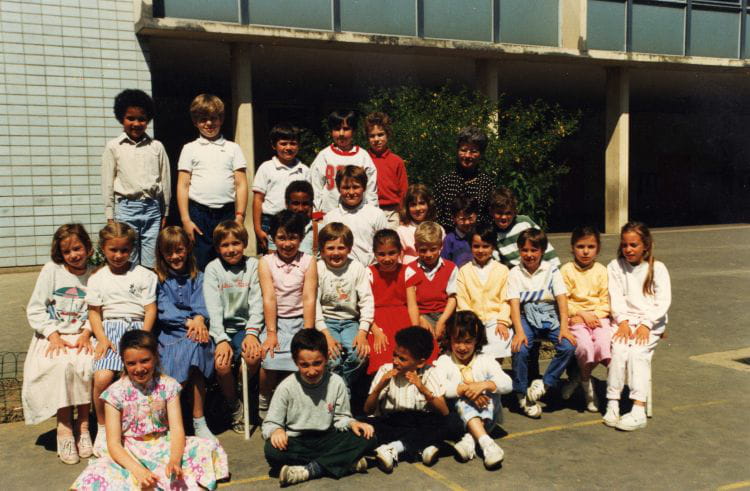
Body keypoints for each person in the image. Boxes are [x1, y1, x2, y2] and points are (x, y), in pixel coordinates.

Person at [71, 330, 228, 490]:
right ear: (123, 362)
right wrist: (138, 471)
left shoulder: (168, 386)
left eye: (145, 361)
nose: (139, 368)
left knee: (205, 447)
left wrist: (174, 460)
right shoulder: (114, 393)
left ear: (155, 357)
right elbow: (114, 444)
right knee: (99, 474)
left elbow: (177, 429)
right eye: (131, 363)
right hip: (130, 451)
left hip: (163, 446)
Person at [262, 329, 377, 486]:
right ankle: (343, 463)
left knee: (368, 438)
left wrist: (352, 423)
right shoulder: (286, 387)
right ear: (295, 362)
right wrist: (276, 431)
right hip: (298, 441)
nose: (311, 371)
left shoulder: (336, 382)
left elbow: (341, 418)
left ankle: (310, 470)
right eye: (304, 365)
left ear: (327, 358)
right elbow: (270, 423)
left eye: (317, 363)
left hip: (328, 437)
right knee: (272, 451)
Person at [22, 224, 95, 465]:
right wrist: (52, 334)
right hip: (55, 335)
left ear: (87, 247)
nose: (73, 255)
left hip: (82, 334)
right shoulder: (51, 271)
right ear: (59, 253)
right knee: (62, 365)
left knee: (86, 364)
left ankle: (83, 426)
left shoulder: (95, 274)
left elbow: (98, 310)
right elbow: (36, 308)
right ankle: (64, 428)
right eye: (67, 251)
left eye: (77, 248)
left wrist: (87, 332)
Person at [88, 222, 158, 455]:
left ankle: (142, 426)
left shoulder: (144, 275)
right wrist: (102, 339)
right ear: (103, 249)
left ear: (132, 249)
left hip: (137, 328)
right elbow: (94, 312)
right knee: (103, 377)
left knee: (140, 376)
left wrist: (144, 336)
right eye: (113, 250)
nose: (118, 255)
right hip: (110, 329)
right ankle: (102, 427)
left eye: (124, 250)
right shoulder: (97, 278)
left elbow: (150, 309)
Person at [603, 222, 671, 431]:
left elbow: (663, 301)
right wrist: (622, 322)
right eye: (624, 245)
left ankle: (638, 409)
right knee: (619, 350)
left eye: (634, 245)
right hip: (623, 321)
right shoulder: (615, 266)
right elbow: (615, 297)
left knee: (638, 353)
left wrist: (646, 324)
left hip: (650, 322)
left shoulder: (657, 268)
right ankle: (612, 402)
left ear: (646, 246)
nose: (628, 249)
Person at [154, 226, 216, 440]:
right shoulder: (158, 279)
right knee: (188, 350)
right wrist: (190, 321)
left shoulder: (199, 277)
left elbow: (202, 303)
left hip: (196, 331)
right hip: (169, 335)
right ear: (161, 253)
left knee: (197, 347)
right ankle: (169, 418)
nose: (175, 256)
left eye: (179, 250)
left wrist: (199, 318)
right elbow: (164, 310)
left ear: (188, 248)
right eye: (169, 252)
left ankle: (199, 420)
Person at [508, 228, 576, 419]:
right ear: (519, 250)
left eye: (534, 250)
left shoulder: (551, 270)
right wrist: (519, 331)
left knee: (568, 346)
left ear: (543, 251)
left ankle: (544, 384)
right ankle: (522, 393)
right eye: (524, 250)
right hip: (526, 315)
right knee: (520, 348)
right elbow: (514, 304)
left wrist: (564, 327)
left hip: (549, 314)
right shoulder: (514, 272)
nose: (529, 254)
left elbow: (561, 299)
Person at [203, 220, 264, 433]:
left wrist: (252, 333)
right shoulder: (213, 269)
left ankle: (240, 387)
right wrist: (220, 339)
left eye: (236, 243)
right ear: (217, 248)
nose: (231, 249)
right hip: (221, 329)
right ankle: (233, 403)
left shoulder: (253, 266)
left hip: (245, 328)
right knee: (221, 365)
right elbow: (213, 307)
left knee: (253, 357)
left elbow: (257, 302)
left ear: (244, 243)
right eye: (225, 245)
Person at [177, 93, 248, 270]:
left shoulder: (233, 148)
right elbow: (183, 185)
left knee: (229, 259)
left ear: (221, 119)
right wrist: (186, 219)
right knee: (200, 261)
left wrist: (240, 217)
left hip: (227, 213)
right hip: (198, 214)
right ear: (195, 122)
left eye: (213, 118)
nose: (209, 123)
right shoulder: (189, 149)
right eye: (203, 119)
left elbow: (241, 184)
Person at [257, 210, 318, 418]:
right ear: (273, 238)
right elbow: (269, 298)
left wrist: (308, 332)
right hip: (276, 322)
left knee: (305, 359)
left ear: (301, 238)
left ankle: (299, 407)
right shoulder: (266, 262)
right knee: (269, 359)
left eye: (293, 238)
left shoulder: (308, 261)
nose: (287, 244)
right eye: (281, 238)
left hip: (301, 321)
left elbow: (308, 297)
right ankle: (264, 400)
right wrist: (271, 333)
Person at [364, 326, 451, 470]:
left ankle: (395, 448)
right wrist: (379, 387)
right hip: (392, 422)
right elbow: (368, 410)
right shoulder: (386, 370)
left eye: (402, 359)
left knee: (450, 422)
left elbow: (444, 411)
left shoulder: (429, 372)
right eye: (394, 355)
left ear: (420, 362)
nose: (395, 361)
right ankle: (423, 447)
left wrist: (422, 388)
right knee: (364, 426)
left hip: (419, 422)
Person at [101, 89, 170, 268]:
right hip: (125, 209)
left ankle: (149, 286)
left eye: (142, 119)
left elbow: (165, 180)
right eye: (130, 118)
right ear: (121, 118)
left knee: (151, 259)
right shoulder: (114, 147)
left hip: (152, 209)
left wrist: (165, 211)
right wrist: (110, 216)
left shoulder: (156, 147)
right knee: (127, 257)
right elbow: (107, 184)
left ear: (148, 120)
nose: (136, 123)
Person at [434, 311, 511, 469]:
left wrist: (483, 385)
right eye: (457, 341)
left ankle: (471, 440)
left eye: (468, 341)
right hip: (458, 421)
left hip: (489, 414)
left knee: (491, 389)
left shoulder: (485, 359)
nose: (462, 347)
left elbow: (507, 384)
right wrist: (465, 390)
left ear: (477, 340)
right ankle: (486, 443)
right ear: (450, 339)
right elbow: (440, 388)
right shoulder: (444, 361)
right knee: (462, 400)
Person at [560, 226, 613, 412]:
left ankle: (579, 377)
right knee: (584, 347)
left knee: (603, 345)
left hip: (598, 318)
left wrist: (593, 315)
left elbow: (606, 303)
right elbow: (563, 302)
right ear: (572, 247)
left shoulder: (602, 271)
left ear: (597, 249)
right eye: (580, 246)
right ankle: (588, 389)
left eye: (590, 247)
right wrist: (581, 314)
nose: (585, 251)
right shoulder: (566, 270)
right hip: (575, 319)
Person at [315, 222, 373, 392]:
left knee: (360, 355)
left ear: (349, 249)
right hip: (326, 322)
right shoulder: (318, 268)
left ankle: (341, 387)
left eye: (341, 248)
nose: (336, 253)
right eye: (330, 248)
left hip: (350, 322)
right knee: (332, 359)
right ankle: (341, 395)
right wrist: (325, 334)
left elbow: (367, 301)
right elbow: (314, 304)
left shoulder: (356, 268)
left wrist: (362, 332)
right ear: (322, 250)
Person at [455, 223, 513, 362]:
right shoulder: (464, 271)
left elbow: (506, 299)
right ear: (470, 247)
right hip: (473, 322)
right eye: (476, 246)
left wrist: (502, 321)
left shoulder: (502, 270)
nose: (481, 250)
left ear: (493, 247)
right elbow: (462, 300)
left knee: (498, 343)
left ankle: (495, 372)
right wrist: (471, 322)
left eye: (485, 246)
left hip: (495, 320)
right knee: (476, 354)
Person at [367, 229, 419, 374]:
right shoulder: (369, 273)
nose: (387, 258)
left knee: (411, 350)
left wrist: (415, 330)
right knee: (381, 352)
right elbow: (364, 306)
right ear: (374, 253)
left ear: (400, 252)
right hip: (376, 319)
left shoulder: (407, 271)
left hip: (402, 317)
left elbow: (412, 304)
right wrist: (375, 330)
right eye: (381, 254)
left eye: (392, 253)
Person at [252, 123, 310, 252]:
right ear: (274, 145)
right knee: (271, 258)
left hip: (296, 220)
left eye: (293, 143)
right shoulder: (266, 168)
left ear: (298, 145)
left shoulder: (304, 170)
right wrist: (257, 228)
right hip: (270, 220)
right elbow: (258, 199)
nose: (288, 148)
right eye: (283, 144)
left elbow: (309, 201)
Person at [310, 109, 378, 215]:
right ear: (331, 131)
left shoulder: (363, 156)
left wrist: (373, 212)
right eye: (337, 129)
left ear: (354, 131)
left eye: (346, 129)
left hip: (359, 213)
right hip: (330, 213)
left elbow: (371, 189)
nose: (341, 133)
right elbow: (315, 187)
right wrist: (316, 212)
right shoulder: (324, 156)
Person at [321, 165, 389, 267]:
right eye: (346, 188)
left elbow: (385, 246)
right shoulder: (330, 217)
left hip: (369, 270)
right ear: (339, 189)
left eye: (356, 187)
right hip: (339, 271)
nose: (351, 192)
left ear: (364, 188)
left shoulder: (376, 214)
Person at [404, 221, 457, 342]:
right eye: (423, 250)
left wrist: (442, 321)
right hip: (422, 314)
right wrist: (419, 320)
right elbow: (411, 303)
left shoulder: (451, 268)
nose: (428, 255)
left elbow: (453, 298)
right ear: (416, 248)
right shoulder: (410, 269)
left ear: (441, 246)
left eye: (433, 249)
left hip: (445, 314)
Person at [434, 127, 495, 230]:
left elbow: (490, 218)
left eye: (473, 151)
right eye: (463, 150)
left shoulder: (487, 183)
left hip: (478, 238)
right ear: (457, 151)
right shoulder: (445, 182)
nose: (467, 155)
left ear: (481, 154)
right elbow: (436, 217)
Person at [490, 187, 559, 268]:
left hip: (538, 267)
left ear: (515, 212)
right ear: (491, 212)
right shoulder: (491, 232)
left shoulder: (524, 222)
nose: (504, 217)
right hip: (515, 272)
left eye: (508, 213)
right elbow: (496, 261)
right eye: (499, 213)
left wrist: (556, 268)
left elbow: (545, 246)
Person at [365, 111, 407, 229]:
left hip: (392, 212)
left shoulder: (397, 161)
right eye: (372, 136)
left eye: (380, 134)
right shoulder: (363, 159)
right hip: (369, 210)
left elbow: (403, 191)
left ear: (387, 135)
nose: (376, 139)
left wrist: (403, 214)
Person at [267, 180, 318, 256]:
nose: (300, 209)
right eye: (295, 203)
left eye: (305, 204)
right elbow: (272, 259)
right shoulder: (277, 229)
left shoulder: (318, 230)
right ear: (287, 204)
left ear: (311, 204)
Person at [397, 184, 442, 264]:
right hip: (409, 269)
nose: (417, 208)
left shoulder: (438, 229)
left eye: (422, 203)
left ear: (429, 204)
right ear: (407, 208)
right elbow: (399, 259)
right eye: (413, 205)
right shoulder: (401, 231)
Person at [441, 194, 479, 268]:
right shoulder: (449, 240)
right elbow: (444, 265)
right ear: (454, 218)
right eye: (462, 219)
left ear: (476, 215)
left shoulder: (480, 236)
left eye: (470, 218)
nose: (467, 222)